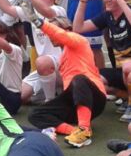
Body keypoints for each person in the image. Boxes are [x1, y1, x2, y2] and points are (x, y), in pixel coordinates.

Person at [27, 15, 107, 148]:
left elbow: (61, 35)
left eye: (54, 30)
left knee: (79, 79)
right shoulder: (64, 54)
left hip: (95, 99)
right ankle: (75, 131)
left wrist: (39, 22)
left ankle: (84, 129)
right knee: (35, 114)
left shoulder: (79, 40)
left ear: (67, 30)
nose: (50, 36)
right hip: (75, 102)